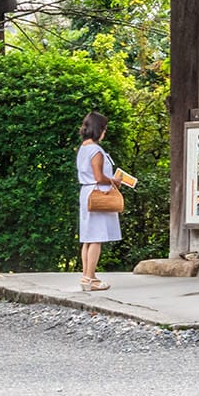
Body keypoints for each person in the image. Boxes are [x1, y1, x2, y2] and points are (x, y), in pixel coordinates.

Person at [76, 111, 120, 292]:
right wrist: (114, 181)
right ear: (99, 129)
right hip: (97, 192)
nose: (105, 132)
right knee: (96, 237)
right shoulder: (96, 150)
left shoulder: (83, 148)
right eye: (104, 128)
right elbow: (98, 176)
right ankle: (89, 278)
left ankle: (88, 276)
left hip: (87, 192)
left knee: (88, 237)